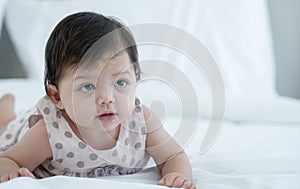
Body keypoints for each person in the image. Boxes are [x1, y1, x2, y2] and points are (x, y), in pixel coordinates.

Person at [0, 12, 195, 188]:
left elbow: (173, 156)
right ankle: (4, 108)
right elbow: (9, 159)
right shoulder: (48, 133)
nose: (106, 99)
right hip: (22, 131)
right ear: (57, 96)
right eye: (88, 87)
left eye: (120, 83)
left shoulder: (142, 122)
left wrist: (176, 175)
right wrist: (12, 172)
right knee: (7, 126)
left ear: (136, 80)